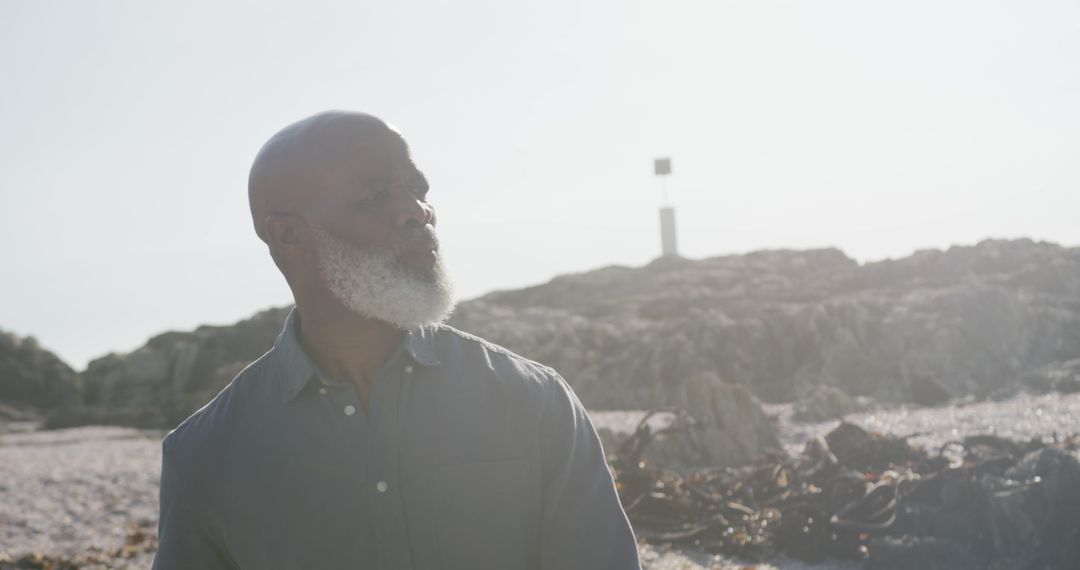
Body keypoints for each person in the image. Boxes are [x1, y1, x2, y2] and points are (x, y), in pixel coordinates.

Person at [151, 111, 642, 570]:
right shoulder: (206, 455)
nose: (416, 212)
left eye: (416, 189)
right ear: (287, 237)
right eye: (375, 197)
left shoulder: (534, 401)